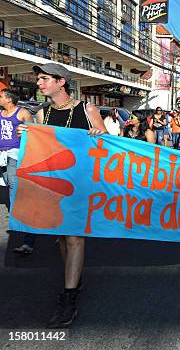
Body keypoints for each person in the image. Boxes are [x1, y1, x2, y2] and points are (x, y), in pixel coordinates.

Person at [17, 63, 107, 329]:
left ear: (61, 82)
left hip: (80, 182)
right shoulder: (43, 113)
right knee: (62, 238)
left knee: (75, 238)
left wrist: (99, 135)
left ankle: (69, 298)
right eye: (38, 79)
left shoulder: (86, 109)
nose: (39, 84)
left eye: (44, 79)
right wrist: (27, 135)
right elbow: (38, 147)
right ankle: (75, 280)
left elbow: (109, 144)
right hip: (53, 184)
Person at [0, 89, 34, 254]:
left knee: (17, 198)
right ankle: (20, 231)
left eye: (0, 96)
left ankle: (28, 240)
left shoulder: (23, 113)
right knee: (8, 199)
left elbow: (34, 134)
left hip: (16, 157)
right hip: (1, 158)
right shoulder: (1, 113)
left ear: (8, 99)